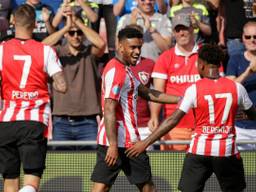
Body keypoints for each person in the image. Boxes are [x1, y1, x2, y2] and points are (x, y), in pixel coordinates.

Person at [126, 44, 256, 192]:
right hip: (226, 152)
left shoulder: (194, 89)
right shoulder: (237, 88)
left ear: (200, 64)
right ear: (220, 64)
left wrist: (145, 142)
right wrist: (239, 114)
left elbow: (172, 120)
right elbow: (253, 115)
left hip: (199, 151)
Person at [90, 26, 181, 192]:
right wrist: (113, 145)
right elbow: (109, 108)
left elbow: (147, 93)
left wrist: (181, 99)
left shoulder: (127, 70)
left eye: (139, 47)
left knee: (146, 187)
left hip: (130, 142)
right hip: (116, 142)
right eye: (132, 47)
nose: (137, 51)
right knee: (103, 187)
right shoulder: (116, 71)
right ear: (120, 46)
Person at [0, 4, 66, 192]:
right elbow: (62, 87)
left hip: (7, 121)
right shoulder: (45, 51)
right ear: (35, 23)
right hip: (34, 121)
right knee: (31, 183)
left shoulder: (2, 49)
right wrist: (42, 76)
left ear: (13, 21)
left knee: (10, 182)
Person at [43, 11, 106, 150]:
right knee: (63, 169)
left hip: (88, 120)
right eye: (72, 33)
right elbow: (41, 47)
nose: (76, 36)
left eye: (79, 33)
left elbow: (101, 43)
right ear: (66, 34)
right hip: (61, 120)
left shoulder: (90, 52)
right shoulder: (57, 53)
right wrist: (66, 28)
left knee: (90, 166)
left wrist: (77, 23)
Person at [149, 13, 199, 151]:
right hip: (174, 126)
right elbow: (158, 93)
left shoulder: (205, 54)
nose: (181, 33)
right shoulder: (165, 57)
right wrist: (154, 116)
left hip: (203, 125)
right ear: (173, 33)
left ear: (192, 29)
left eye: (185, 28)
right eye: (178, 30)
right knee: (174, 170)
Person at [226, 21, 256, 150]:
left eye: (255, 37)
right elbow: (229, 87)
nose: (252, 40)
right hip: (241, 127)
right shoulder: (235, 59)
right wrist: (249, 71)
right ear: (243, 38)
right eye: (248, 37)